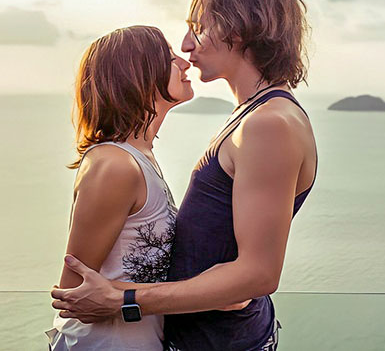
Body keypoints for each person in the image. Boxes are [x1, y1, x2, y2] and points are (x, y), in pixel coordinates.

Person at [52, 0, 317, 351]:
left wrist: (125, 300)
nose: (187, 46)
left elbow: (257, 274)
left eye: (199, 26)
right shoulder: (250, 118)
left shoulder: (269, 124)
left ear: (239, 28)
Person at [47, 25, 244, 350]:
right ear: (137, 74)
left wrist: (211, 292)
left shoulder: (141, 157)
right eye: (169, 58)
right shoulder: (116, 166)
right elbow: (74, 291)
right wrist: (202, 293)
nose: (183, 62)